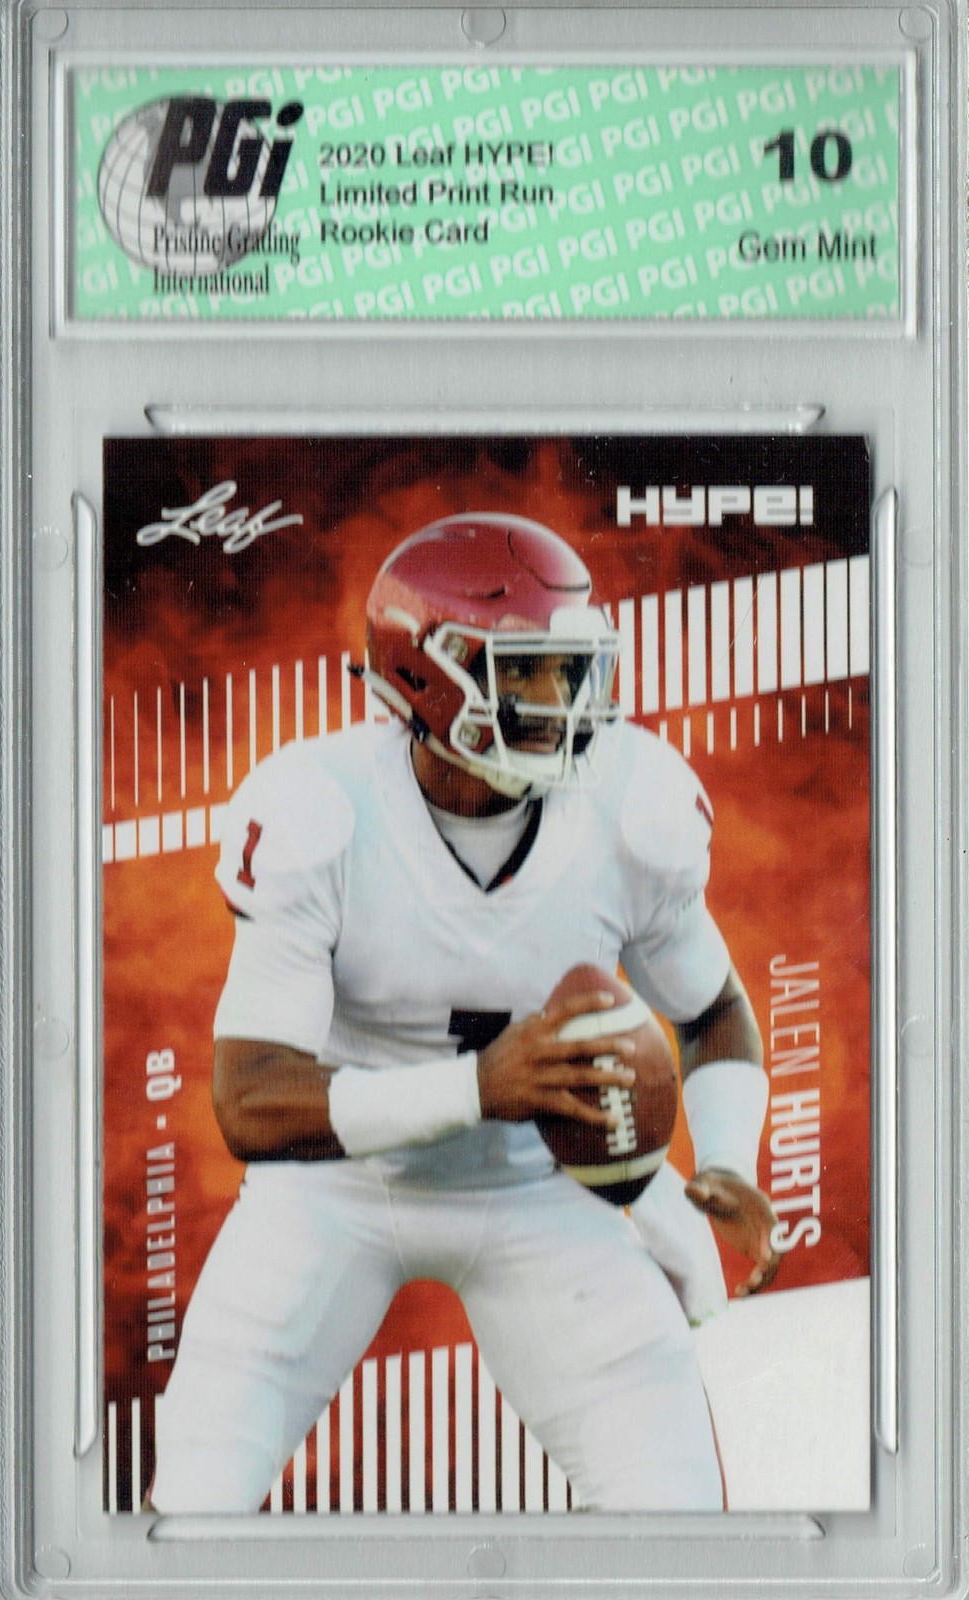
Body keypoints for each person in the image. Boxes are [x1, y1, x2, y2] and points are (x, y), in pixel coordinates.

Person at [149, 512, 780, 1515]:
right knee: (194, 1496)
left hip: (538, 1188)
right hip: (335, 1192)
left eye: (572, 669)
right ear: (422, 675)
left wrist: (731, 1159)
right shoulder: (321, 809)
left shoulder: (631, 802)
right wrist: (480, 1088)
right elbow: (252, 1099)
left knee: (677, 1514)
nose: (564, 702)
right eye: (529, 673)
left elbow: (713, 1010)